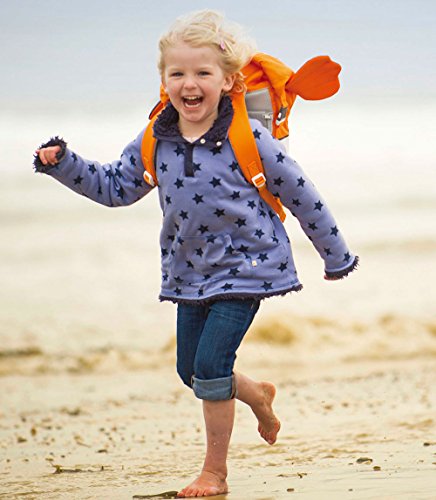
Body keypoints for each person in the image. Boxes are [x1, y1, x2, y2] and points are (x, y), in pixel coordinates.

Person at [34, 9, 358, 498]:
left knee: (209, 368)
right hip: (188, 272)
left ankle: (215, 473)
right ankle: (257, 393)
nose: (189, 83)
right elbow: (115, 187)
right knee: (191, 371)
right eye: (178, 73)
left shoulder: (250, 138)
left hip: (248, 268)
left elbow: (302, 194)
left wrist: (335, 255)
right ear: (163, 80)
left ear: (228, 80)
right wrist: (65, 163)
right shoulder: (156, 139)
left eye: (203, 72)